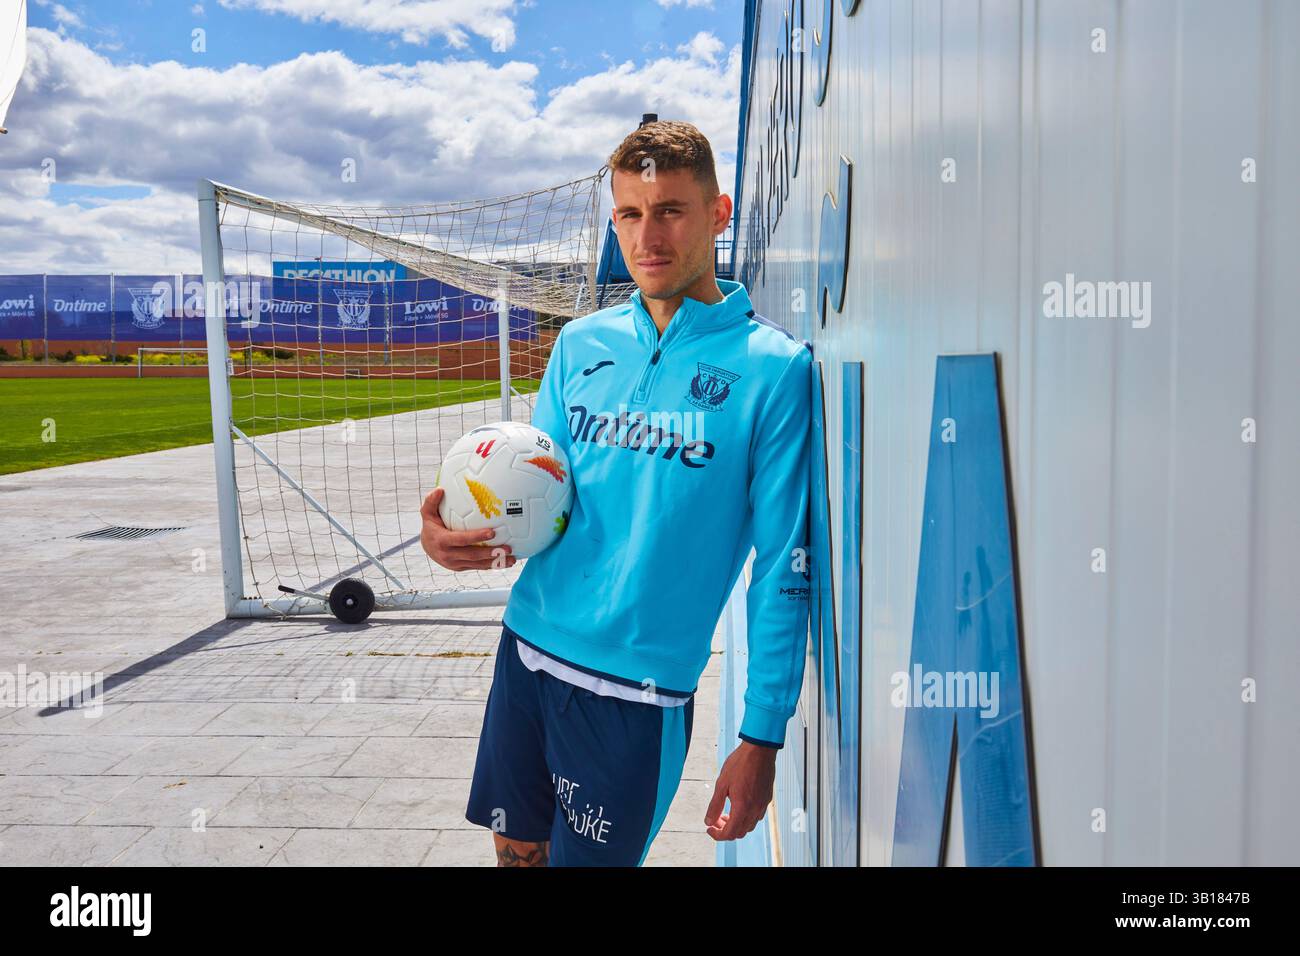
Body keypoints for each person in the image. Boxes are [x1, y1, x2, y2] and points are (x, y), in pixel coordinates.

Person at [420, 119, 813, 866]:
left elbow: (782, 570)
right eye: (631, 214)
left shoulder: (775, 370)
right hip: (528, 651)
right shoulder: (580, 345)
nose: (647, 236)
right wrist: (450, 528)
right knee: (515, 853)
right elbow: (536, 497)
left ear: (718, 214)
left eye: (670, 210)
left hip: (637, 694)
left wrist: (761, 735)